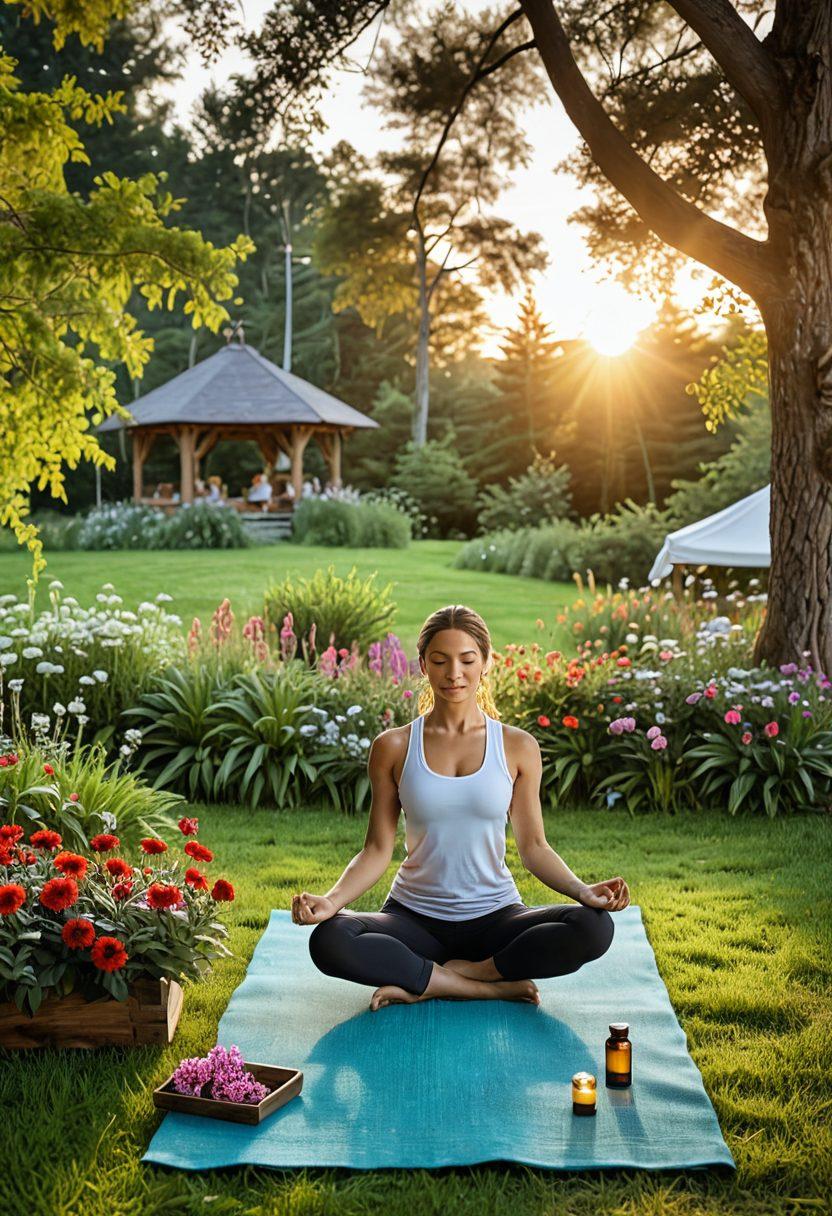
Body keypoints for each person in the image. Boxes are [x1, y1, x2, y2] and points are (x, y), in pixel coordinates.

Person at [293, 604, 629, 1013]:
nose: (454, 673)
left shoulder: (517, 746)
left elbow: (534, 847)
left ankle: (457, 975)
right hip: (412, 918)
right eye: (440, 660)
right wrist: (332, 901)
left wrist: (581, 890)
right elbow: (377, 849)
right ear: (422, 665)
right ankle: (482, 987)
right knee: (329, 940)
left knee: (593, 927)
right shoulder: (393, 747)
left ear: (486, 662)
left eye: (467, 660)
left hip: (496, 917)